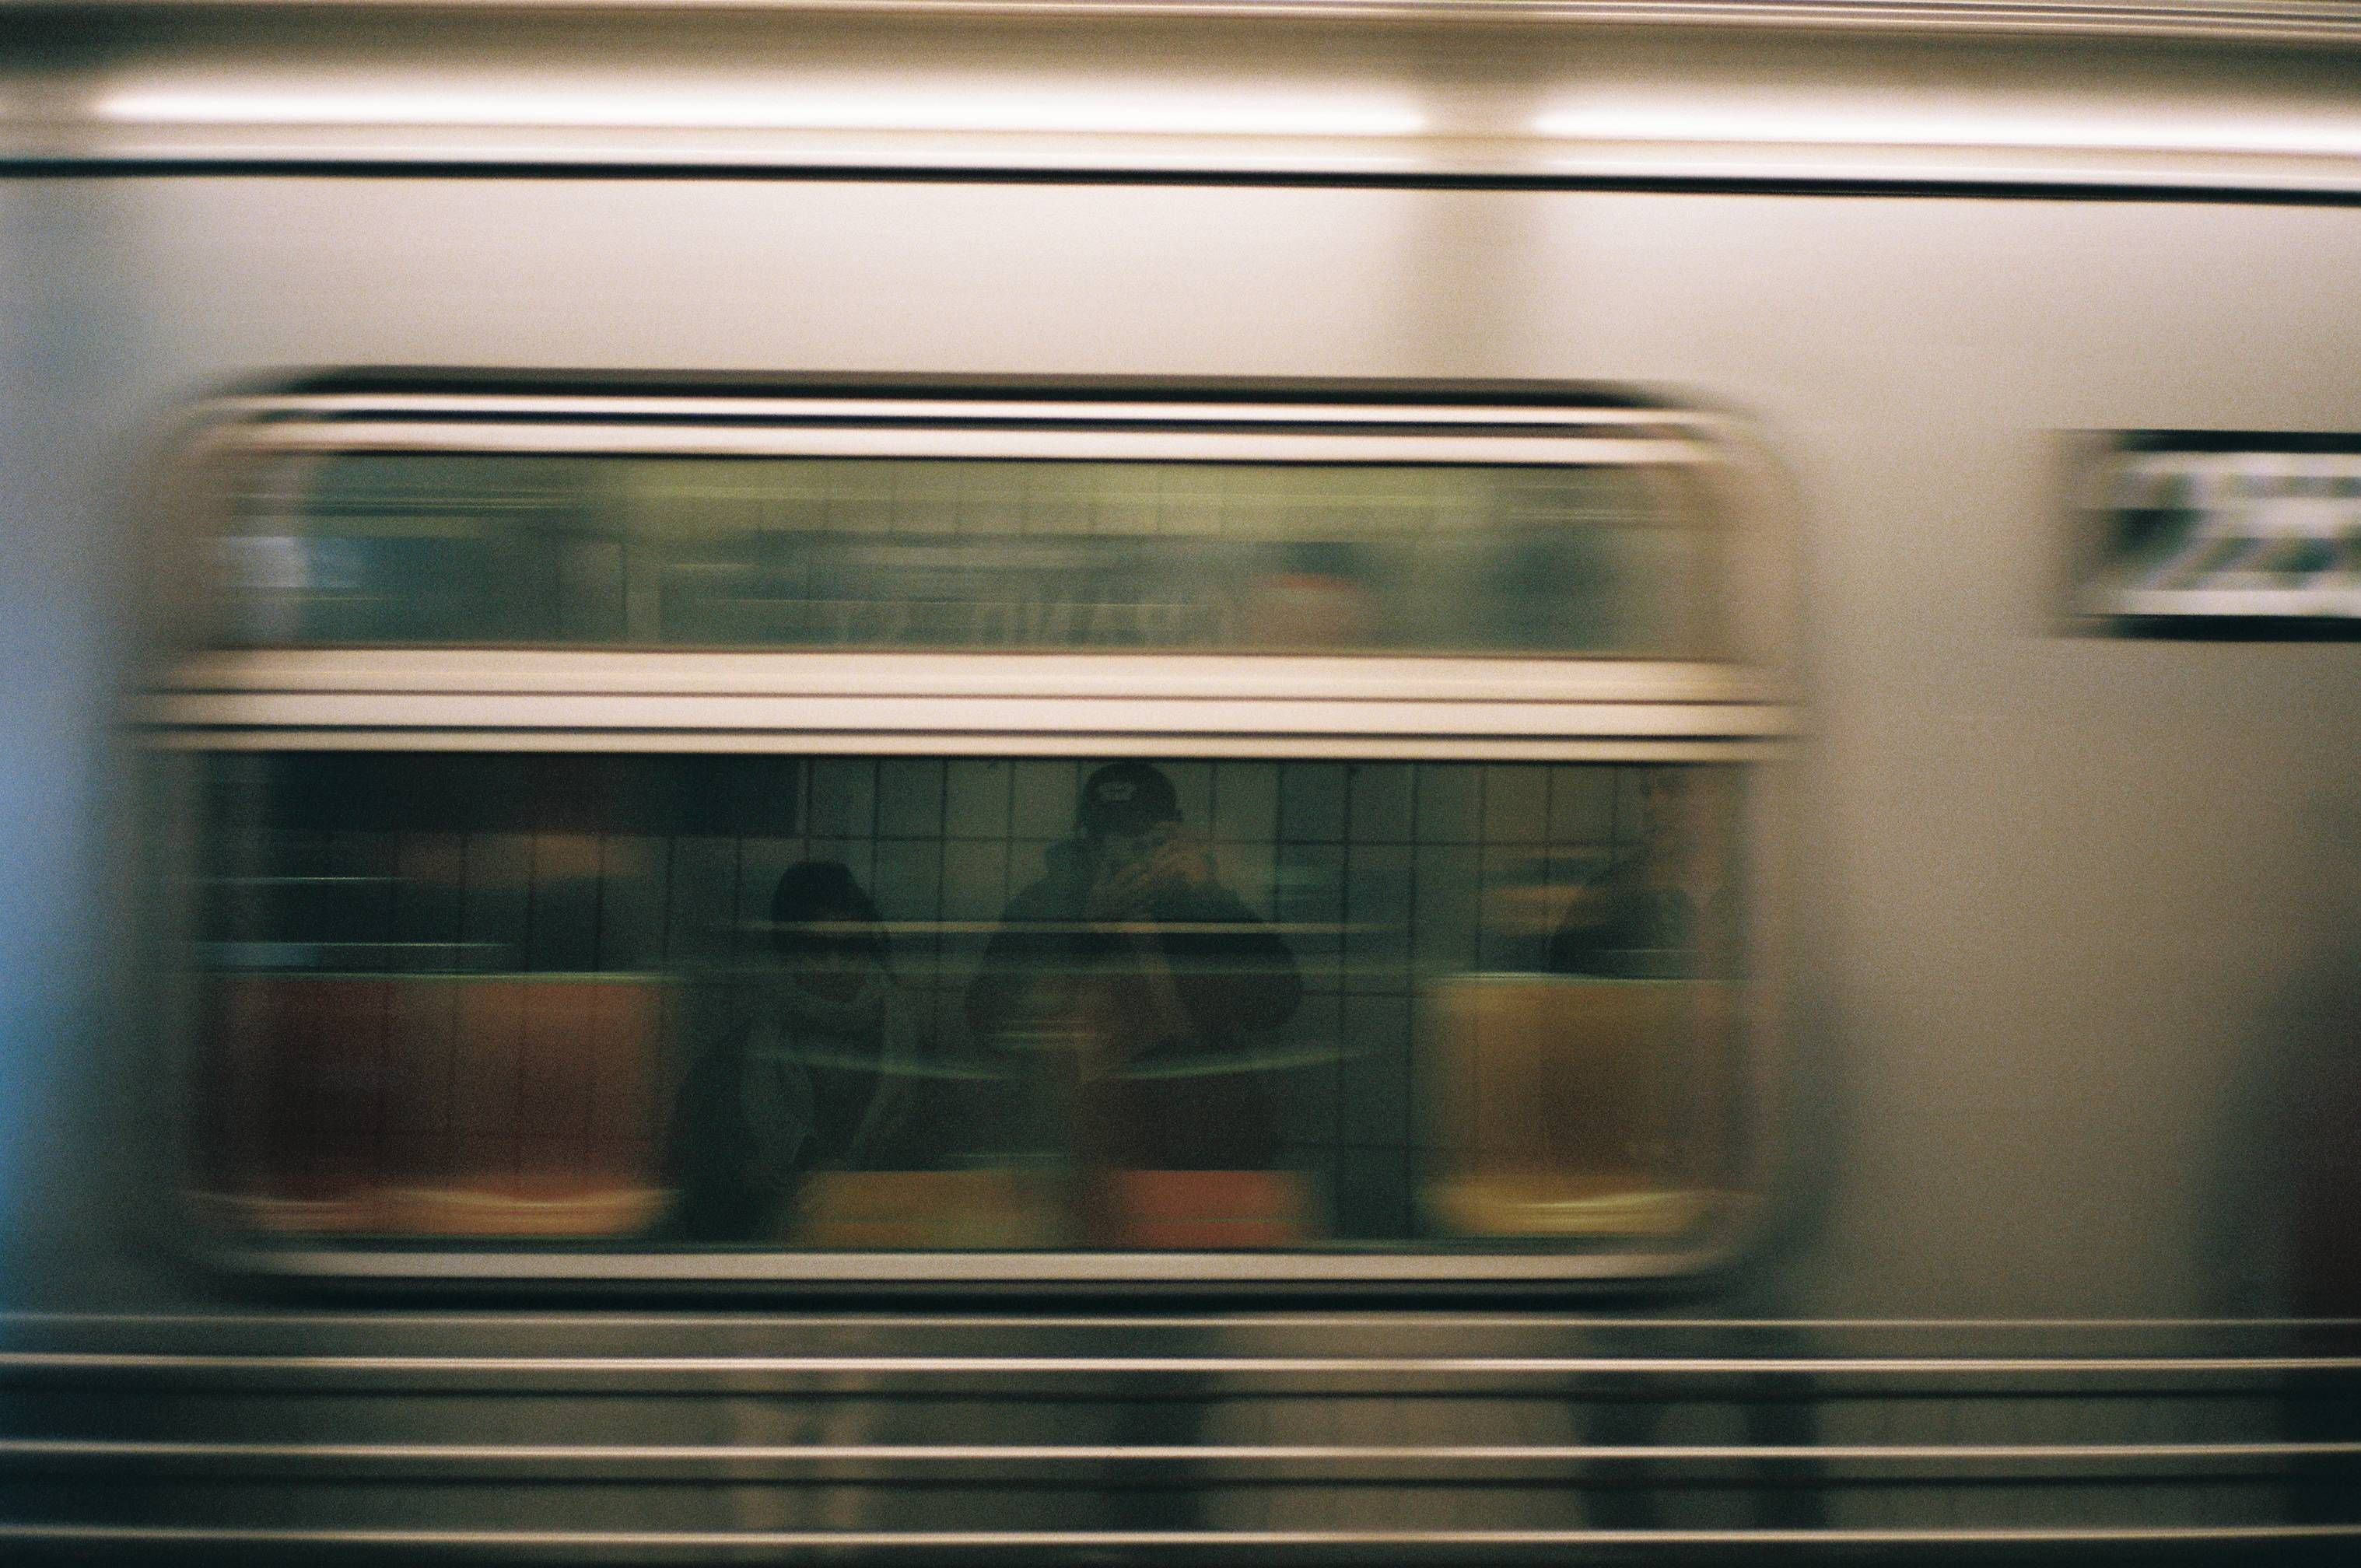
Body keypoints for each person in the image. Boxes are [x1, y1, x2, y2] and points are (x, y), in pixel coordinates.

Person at [965, 761, 1301, 1172]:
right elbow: (992, 1019)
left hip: (1201, 1137)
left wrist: (1206, 898)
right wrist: (1088, 932)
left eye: (1140, 836)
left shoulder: (1198, 901)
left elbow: (1278, 1001)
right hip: (1082, 1139)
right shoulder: (1047, 903)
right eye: (1104, 837)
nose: (1120, 851)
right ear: (1085, 841)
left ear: (1173, 838)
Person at [665, 860, 916, 1240]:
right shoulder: (730, 1065)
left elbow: (940, 1170)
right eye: (815, 950)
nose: (834, 967)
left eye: (849, 948)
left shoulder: (914, 1053)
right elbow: (690, 1184)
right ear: (787, 956)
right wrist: (746, 1179)